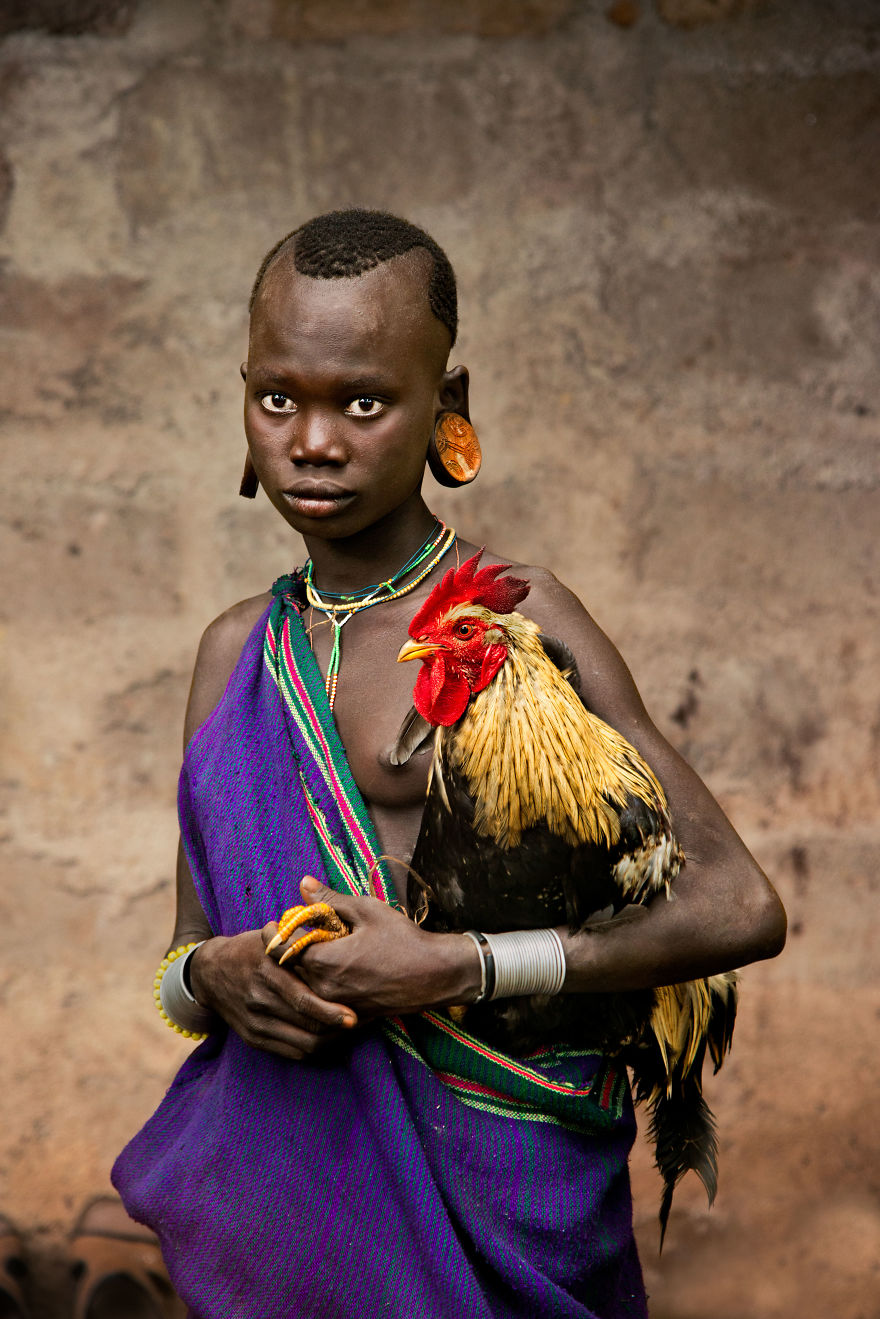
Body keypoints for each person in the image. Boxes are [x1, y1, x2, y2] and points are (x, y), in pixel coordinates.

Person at [112, 209, 786, 1319]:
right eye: (277, 397)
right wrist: (216, 978)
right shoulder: (237, 653)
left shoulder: (517, 613)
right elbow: (186, 953)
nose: (312, 440)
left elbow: (741, 905)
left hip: (512, 1189)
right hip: (291, 1215)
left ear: (447, 404)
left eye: (362, 402)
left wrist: (459, 964)